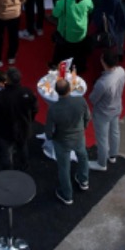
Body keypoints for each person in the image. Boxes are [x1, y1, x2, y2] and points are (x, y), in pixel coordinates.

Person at [46, 77, 89, 205]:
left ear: (56, 92)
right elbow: (88, 117)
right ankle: (84, 180)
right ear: (69, 89)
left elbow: (49, 129)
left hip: (62, 141)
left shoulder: (54, 108)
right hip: (79, 136)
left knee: (64, 167)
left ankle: (67, 195)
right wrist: (83, 128)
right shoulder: (81, 101)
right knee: (83, 157)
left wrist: (50, 137)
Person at [87, 48, 125, 171]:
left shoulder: (102, 82)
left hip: (102, 113)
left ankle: (101, 163)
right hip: (117, 107)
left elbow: (93, 99)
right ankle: (113, 155)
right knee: (115, 132)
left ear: (103, 62)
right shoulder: (121, 71)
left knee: (102, 138)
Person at [0, 68, 37, 168]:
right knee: (23, 146)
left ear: (7, 79)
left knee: (7, 152)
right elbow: (35, 108)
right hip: (23, 128)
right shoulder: (28, 92)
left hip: (6, 130)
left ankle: (8, 171)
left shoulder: (0, 95)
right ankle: (25, 165)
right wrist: (30, 120)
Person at [51, 0, 94, 69]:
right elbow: (91, 9)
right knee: (79, 53)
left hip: (67, 35)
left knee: (61, 51)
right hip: (82, 34)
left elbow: (55, 14)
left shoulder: (65, 1)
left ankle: (56, 64)